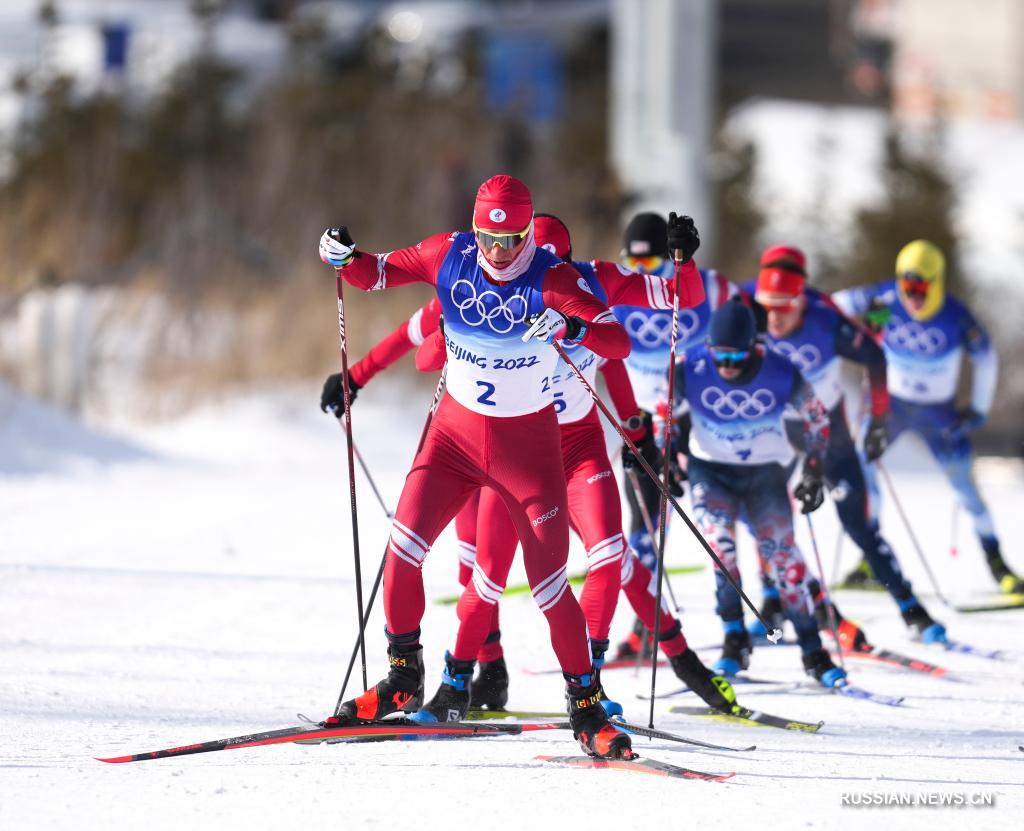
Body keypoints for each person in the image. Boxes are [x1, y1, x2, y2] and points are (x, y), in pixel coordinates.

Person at [322, 213, 737, 719]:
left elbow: (657, 318)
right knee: (483, 572)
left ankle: (599, 683)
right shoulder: (486, 280)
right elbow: (418, 344)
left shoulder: (583, 282)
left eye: (550, 265)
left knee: (609, 555)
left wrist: (636, 427)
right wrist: (360, 375)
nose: (535, 279)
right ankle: (466, 680)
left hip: (577, 447)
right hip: (507, 446)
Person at [318, 174, 633, 759]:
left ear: (528, 235)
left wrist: (575, 324)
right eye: (491, 241)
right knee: (403, 550)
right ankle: (404, 677)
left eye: (513, 240)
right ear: (475, 230)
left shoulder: (554, 278)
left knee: (547, 587)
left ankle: (586, 707)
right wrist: (343, 255)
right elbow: (374, 274)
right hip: (453, 443)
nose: (500, 254)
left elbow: (618, 343)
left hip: (528, 454)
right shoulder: (448, 254)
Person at [752, 254, 947, 645]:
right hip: (774, 432)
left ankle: (911, 608)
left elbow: (874, 358)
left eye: (784, 308)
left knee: (857, 523)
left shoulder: (826, 321)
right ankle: (773, 599)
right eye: (767, 307)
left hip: (830, 433)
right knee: (767, 517)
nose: (773, 319)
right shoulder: (750, 314)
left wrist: (877, 420)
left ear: (801, 301)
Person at [834, 241, 1022, 596]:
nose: (913, 296)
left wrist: (979, 407)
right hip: (892, 408)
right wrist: (848, 329)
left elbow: (986, 357)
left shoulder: (954, 315)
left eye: (922, 288)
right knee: (864, 469)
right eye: (908, 287)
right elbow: (834, 304)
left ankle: (997, 564)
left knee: (966, 488)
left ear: (937, 282)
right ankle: (870, 558)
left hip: (939, 414)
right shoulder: (886, 301)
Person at [675, 299, 846, 687]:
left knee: (785, 561)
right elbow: (663, 413)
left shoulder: (781, 370)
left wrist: (814, 471)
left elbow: (818, 418)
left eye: (737, 355)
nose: (729, 366)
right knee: (722, 553)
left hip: (765, 476)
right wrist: (667, 453)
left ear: (754, 346)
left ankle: (812, 650)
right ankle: (734, 640)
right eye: (721, 356)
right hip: (711, 473)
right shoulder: (690, 366)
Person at [609, 212, 740, 659]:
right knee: (646, 522)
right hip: (644, 420)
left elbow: (746, 318)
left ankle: (749, 618)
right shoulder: (619, 291)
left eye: (650, 264)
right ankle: (646, 624)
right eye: (632, 262)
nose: (640, 272)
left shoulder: (702, 287)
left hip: (700, 415)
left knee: (720, 515)